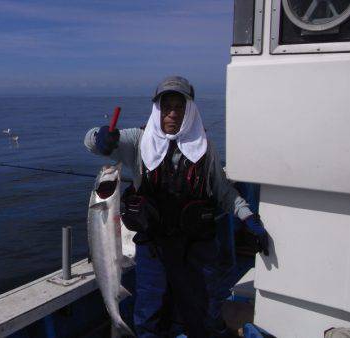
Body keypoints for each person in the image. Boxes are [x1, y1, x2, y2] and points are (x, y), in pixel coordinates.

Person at [84, 76, 269, 337]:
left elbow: (222, 191)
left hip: (197, 248)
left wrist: (248, 217)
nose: (172, 114)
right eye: (166, 107)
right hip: (154, 248)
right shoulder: (139, 139)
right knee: (151, 312)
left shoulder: (204, 147)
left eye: (178, 107)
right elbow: (93, 144)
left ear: (189, 109)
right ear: (157, 109)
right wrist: (101, 136)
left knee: (201, 312)